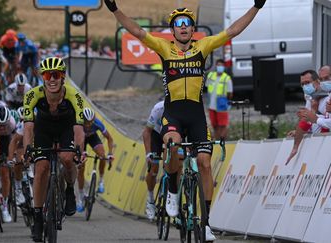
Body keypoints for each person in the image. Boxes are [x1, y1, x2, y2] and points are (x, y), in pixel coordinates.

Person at [103, 0, 266, 240]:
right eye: (178, 24)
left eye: (187, 23)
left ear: (192, 29)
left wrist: (257, 7)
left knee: (205, 164)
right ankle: (171, 191)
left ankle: (207, 223)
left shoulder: (202, 47)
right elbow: (137, 31)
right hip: (174, 114)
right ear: (173, 30)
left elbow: (233, 31)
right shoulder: (163, 48)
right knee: (172, 144)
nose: (183, 26)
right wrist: (114, 9)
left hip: (196, 115)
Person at [23, 56, 86, 242]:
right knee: (41, 168)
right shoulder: (31, 95)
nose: (51, 79)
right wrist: (28, 148)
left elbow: (79, 129)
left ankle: (69, 189)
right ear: (42, 77)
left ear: (62, 77)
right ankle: (37, 217)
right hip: (44, 130)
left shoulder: (75, 97)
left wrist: (79, 151)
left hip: (66, 129)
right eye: (47, 75)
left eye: (56, 75)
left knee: (67, 159)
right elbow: (28, 126)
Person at [286, 70, 329, 164]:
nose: (305, 86)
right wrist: (298, 132)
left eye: (308, 83)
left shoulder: (327, 96)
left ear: (317, 82)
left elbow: (312, 119)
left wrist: (313, 115)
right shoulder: (310, 96)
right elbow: (307, 122)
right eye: (303, 84)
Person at [76, 107, 114, 212]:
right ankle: (80, 196)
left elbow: (110, 139)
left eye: (90, 122)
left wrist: (110, 153)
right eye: (86, 122)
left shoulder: (97, 123)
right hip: (80, 139)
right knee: (81, 166)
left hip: (93, 138)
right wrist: (80, 153)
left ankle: (101, 180)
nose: (88, 125)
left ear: (93, 119)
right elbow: (75, 139)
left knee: (102, 155)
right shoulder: (78, 123)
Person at [142, 100, 164, 220]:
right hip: (156, 135)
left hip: (171, 135)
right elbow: (147, 132)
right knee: (154, 168)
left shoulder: (179, 107)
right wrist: (148, 153)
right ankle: (150, 200)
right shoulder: (158, 108)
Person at [205, 59, 233, 140]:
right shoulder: (210, 75)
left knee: (223, 125)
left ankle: (222, 141)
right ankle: (217, 141)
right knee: (214, 124)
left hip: (222, 104)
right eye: (218, 65)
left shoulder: (227, 78)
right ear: (216, 66)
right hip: (211, 105)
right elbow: (207, 88)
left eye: (221, 65)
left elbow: (230, 94)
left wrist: (225, 102)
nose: (219, 67)